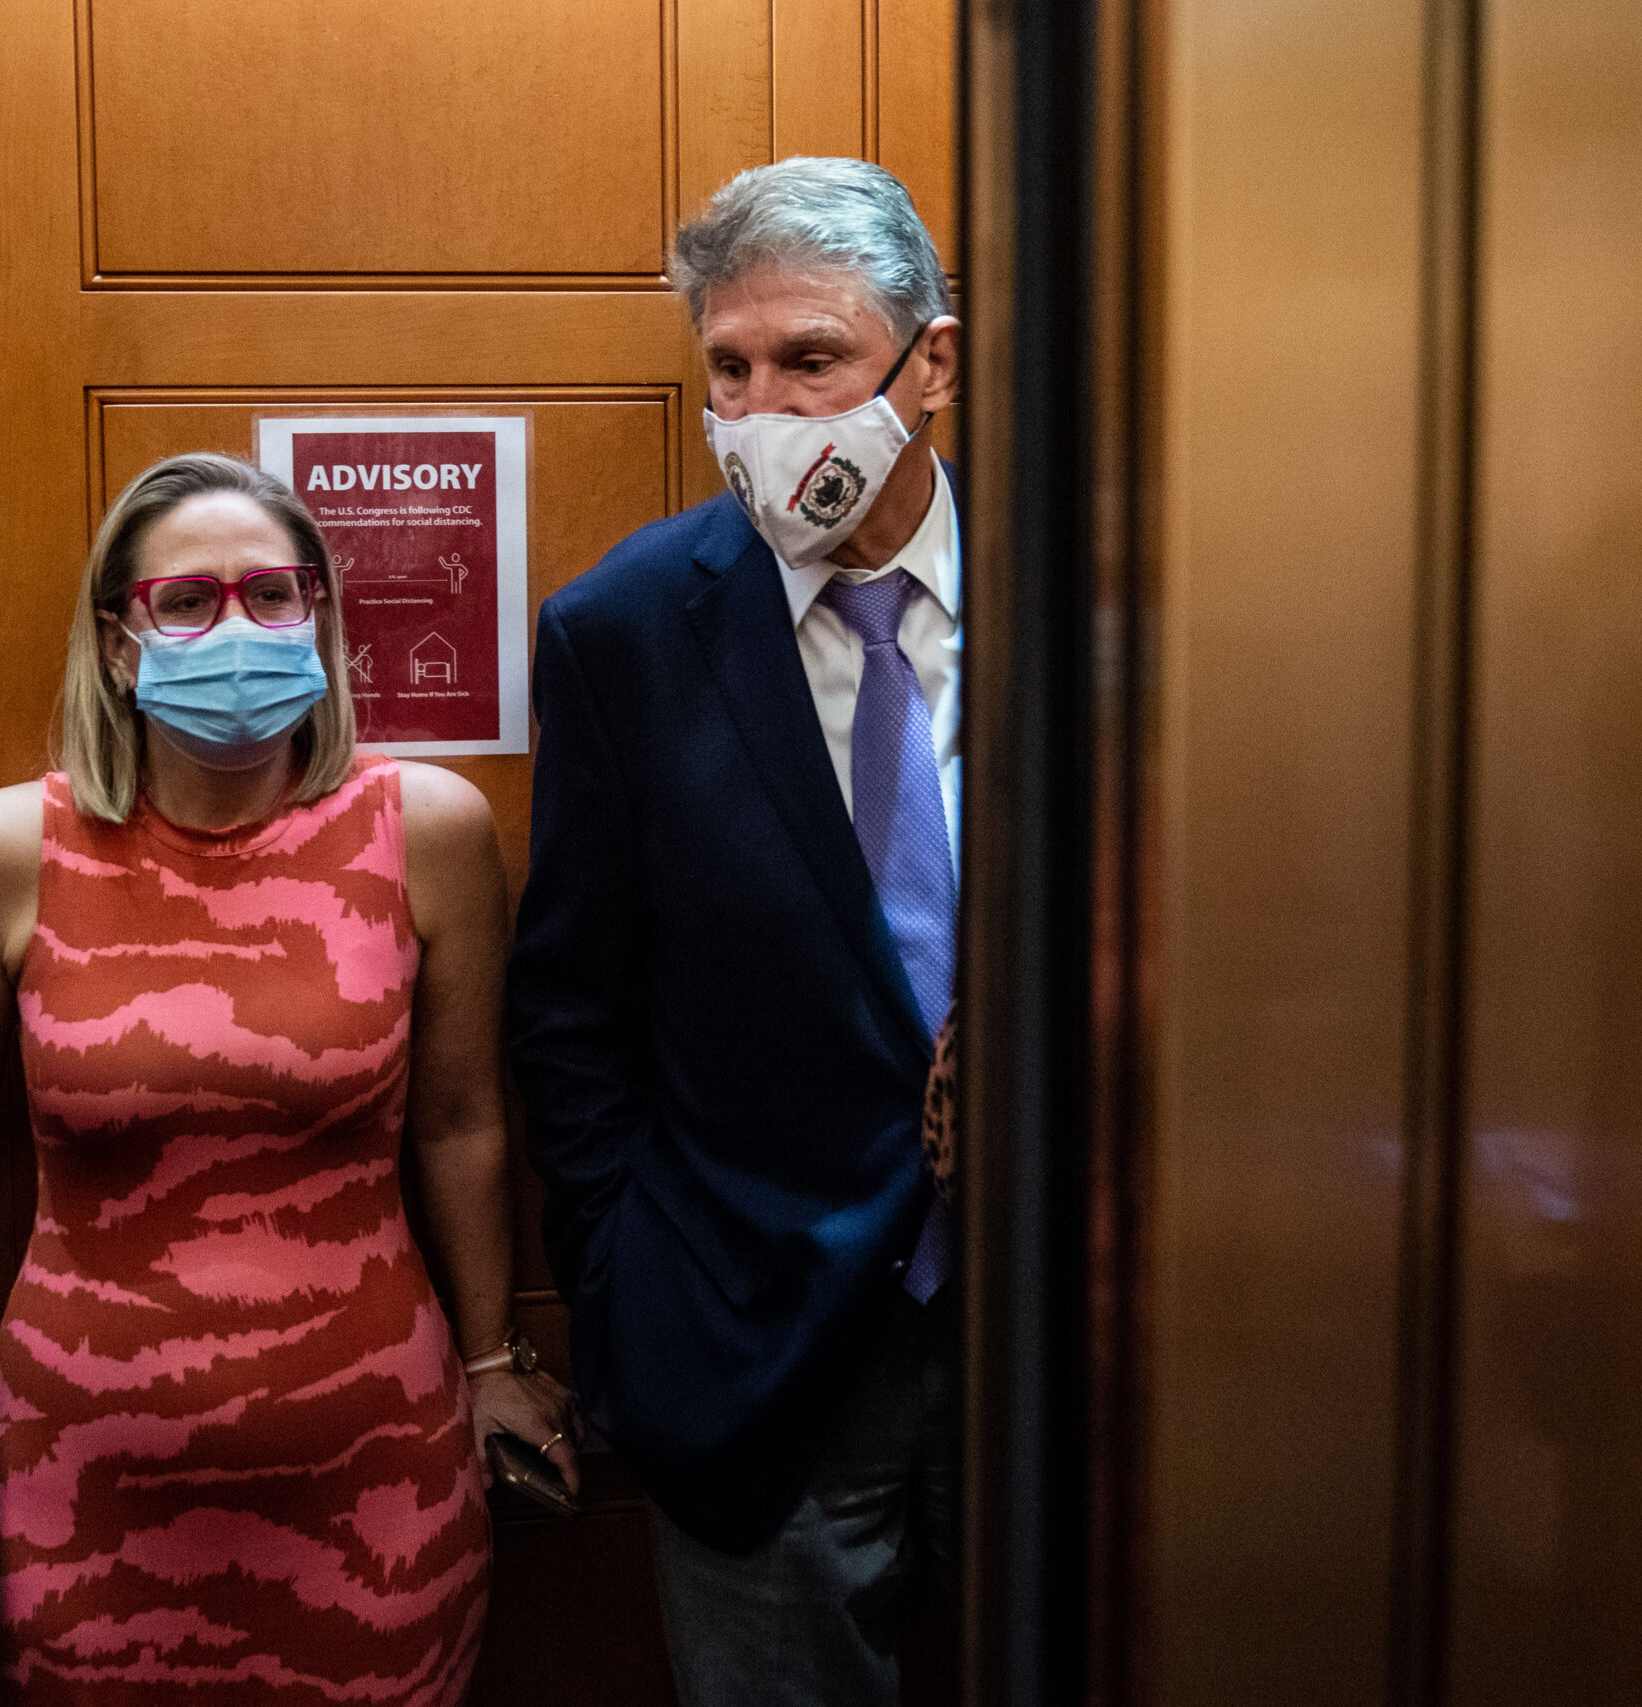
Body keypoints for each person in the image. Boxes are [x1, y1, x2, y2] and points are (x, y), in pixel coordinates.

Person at [0, 453, 576, 1705]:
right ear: (120, 643)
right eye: (186, 602)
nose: (234, 628)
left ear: (321, 620)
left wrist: (492, 1358)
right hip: (74, 1483)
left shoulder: (430, 828)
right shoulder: (9, 848)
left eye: (272, 596)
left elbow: (461, 1124)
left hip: (371, 1480)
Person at [507, 157, 965, 1707]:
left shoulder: (1106, 600)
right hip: (760, 1342)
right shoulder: (623, 633)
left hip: (1077, 1330)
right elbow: (569, 1008)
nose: (766, 410)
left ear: (932, 363)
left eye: (814, 360)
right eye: (730, 366)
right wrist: (625, 1285)